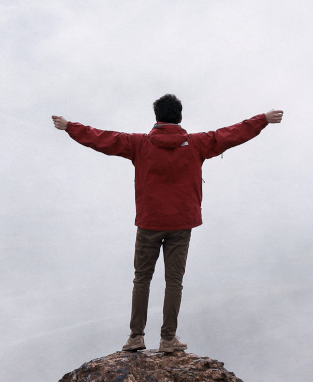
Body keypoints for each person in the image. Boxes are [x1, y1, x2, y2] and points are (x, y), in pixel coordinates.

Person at [52, 95, 283, 354]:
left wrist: (69, 126)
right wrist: (263, 119)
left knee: (142, 279)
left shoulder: (138, 144)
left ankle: (136, 337)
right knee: (174, 281)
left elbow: (102, 138)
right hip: (181, 224)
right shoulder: (198, 143)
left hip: (150, 222)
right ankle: (168, 338)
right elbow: (232, 134)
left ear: (157, 117)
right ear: (180, 117)